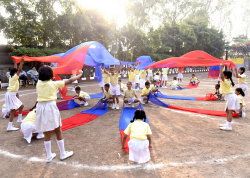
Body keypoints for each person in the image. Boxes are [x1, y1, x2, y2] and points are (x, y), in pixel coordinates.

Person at [35, 65, 83, 162]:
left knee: (46, 131)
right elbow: (70, 80)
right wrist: (79, 75)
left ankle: (49, 156)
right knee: (58, 130)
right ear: (50, 75)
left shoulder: (38, 83)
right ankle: (62, 153)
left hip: (40, 107)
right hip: (50, 107)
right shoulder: (53, 84)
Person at [5, 58, 24, 131]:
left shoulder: (11, 76)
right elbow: (19, 70)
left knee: (21, 106)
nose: (18, 73)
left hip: (12, 94)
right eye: (16, 72)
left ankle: (19, 119)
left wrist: (15, 61)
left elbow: (16, 69)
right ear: (14, 73)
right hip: (11, 94)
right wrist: (21, 62)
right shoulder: (14, 77)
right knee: (13, 111)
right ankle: (9, 126)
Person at [219, 63, 239, 131]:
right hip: (230, 97)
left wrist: (221, 66)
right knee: (227, 111)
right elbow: (227, 74)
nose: (222, 75)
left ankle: (229, 126)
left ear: (226, 76)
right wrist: (229, 66)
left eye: (224, 74)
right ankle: (227, 124)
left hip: (231, 97)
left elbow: (221, 76)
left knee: (229, 112)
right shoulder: (229, 79)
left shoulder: (225, 81)